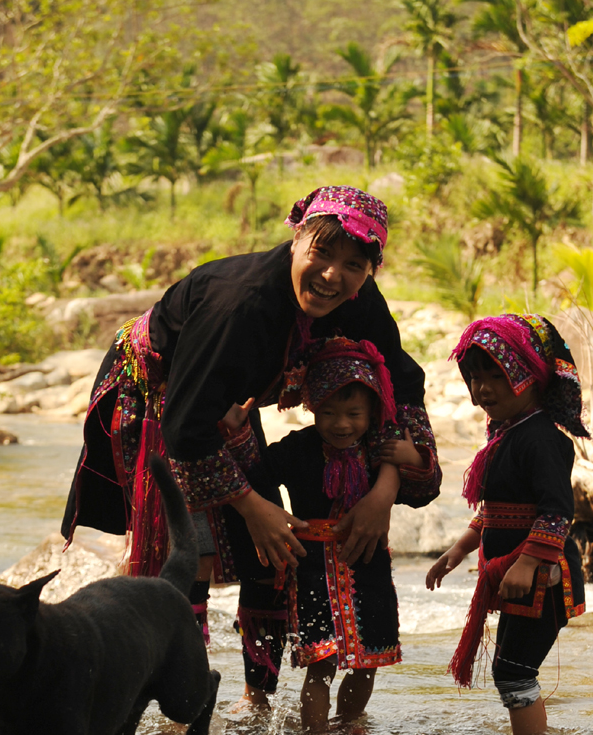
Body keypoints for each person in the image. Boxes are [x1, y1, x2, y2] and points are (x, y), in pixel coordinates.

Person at [61, 185, 436, 708]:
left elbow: (400, 381)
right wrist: (252, 504)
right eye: (321, 253)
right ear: (297, 237)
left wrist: (385, 488)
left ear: (369, 270)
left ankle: (255, 700)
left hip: (232, 400)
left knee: (275, 552)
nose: (333, 276)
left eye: (353, 264)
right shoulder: (238, 305)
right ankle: (181, 703)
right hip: (164, 395)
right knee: (190, 552)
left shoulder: (356, 298)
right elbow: (185, 427)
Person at [224, 336, 441, 730]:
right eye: (328, 413)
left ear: (373, 408)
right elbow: (254, 475)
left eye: (354, 413)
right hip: (311, 573)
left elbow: (423, 491)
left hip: (369, 569)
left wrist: (414, 459)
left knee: (368, 663)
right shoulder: (297, 449)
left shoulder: (381, 448)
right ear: (311, 408)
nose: (341, 425)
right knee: (320, 665)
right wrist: (239, 437)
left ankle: (350, 723)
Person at [426, 313, 588, 735]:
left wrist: (529, 561)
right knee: (511, 669)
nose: (482, 389)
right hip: (519, 572)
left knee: (514, 670)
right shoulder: (505, 433)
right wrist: (459, 549)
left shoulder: (542, 439)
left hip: (543, 575)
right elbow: (497, 507)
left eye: (495, 375)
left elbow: (556, 511)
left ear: (529, 373)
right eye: (474, 377)